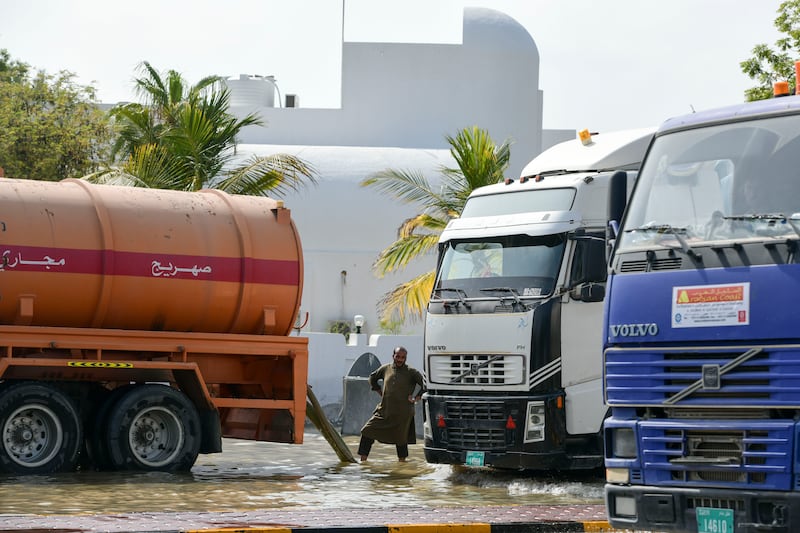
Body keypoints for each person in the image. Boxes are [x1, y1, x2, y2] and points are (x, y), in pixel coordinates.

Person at [357, 346, 425, 462]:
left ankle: (402, 466)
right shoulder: (385, 369)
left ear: (405, 358)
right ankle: (363, 462)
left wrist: (416, 397)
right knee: (367, 431)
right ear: (393, 356)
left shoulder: (411, 372)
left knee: (401, 440)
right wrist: (378, 390)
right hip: (385, 410)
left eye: (403, 357)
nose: (400, 359)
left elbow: (425, 384)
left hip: (402, 414)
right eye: (398, 356)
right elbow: (372, 378)